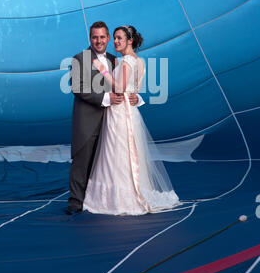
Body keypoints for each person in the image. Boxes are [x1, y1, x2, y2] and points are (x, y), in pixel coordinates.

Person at [82, 25, 181, 216]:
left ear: (130, 41)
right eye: (116, 38)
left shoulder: (126, 61)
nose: (116, 42)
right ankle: (129, 191)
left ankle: (120, 199)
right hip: (130, 111)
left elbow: (119, 88)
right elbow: (134, 90)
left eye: (120, 38)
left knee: (117, 154)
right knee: (128, 153)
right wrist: (135, 97)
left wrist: (103, 71)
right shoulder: (139, 61)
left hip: (120, 111)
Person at [67, 21, 143, 215]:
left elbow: (124, 85)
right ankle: (76, 202)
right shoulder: (80, 59)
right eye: (95, 37)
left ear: (108, 38)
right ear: (90, 38)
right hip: (88, 120)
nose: (99, 41)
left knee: (106, 164)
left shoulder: (114, 59)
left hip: (112, 121)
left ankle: (100, 199)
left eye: (102, 37)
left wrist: (135, 96)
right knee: (82, 161)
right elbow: (77, 87)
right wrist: (105, 97)